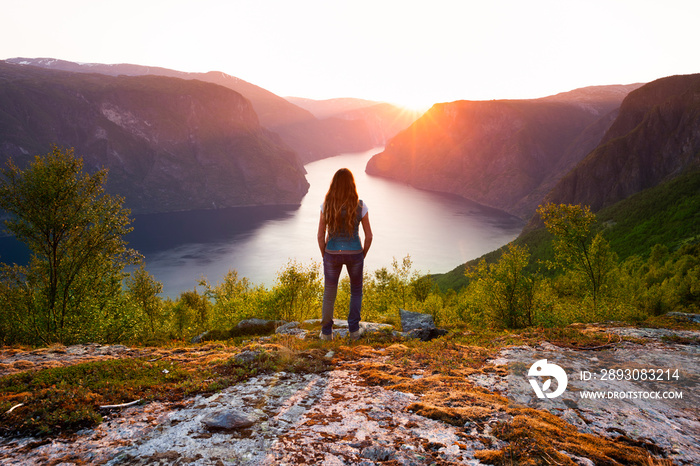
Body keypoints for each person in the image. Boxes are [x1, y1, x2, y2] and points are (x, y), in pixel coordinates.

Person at [317, 168, 373, 340]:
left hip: (331, 253)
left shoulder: (326, 206)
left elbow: (320, 236)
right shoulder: (360, 206)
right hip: (355, 252)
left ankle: (326, 333)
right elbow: (369, 236)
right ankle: (354, 331)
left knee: (329, 293)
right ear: (352, 184)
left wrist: (325, 255)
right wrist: (361, 255)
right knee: (356, 291)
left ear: (334, 185)